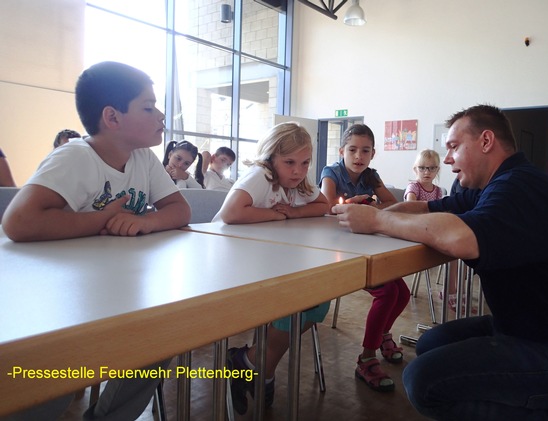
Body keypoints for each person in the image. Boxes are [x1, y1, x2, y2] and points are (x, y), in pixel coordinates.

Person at [332, 104, 548, 420]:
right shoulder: (495, 186)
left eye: (453, 148)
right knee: (432, 343)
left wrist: (378, 223)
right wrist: (376, 214)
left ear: (486, 141)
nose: (446, 160)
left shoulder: (518, 187)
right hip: (537, 329)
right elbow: (429, 209)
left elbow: (462, 237)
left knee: (423, 381)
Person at [2, 61, 191, 420]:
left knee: (161, 337)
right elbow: (19, 221)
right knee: (54, 372)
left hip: (114, 290)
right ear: (112, 117)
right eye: (148, 107)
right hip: (56, 297)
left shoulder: (144, 158)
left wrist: (144, 223)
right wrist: (105, 218)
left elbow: (179, 210)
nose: (161, 115)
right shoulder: (74, 155)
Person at [213, 122, 329, 414]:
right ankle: (257, 369)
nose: (298, 171)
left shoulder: (298, 182)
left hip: (266, 263)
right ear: (270, 158)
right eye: (289, 162)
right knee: (299, 300)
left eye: (305, 163)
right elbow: (231, 212)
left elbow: (323, 205)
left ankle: (249, 363)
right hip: (227, 268)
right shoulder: (261, 175)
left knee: (318, 299)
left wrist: (293, 212)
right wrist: (275, 217)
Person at [320, 123, 408, 393]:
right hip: (336, 250)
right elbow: (325, 205)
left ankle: (382, 335)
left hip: (366, 245)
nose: (359, 156)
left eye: (365, 150)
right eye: (353, 150)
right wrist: (356, 207)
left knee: (401, 293)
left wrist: (368, 207)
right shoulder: (331, 172)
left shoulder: (371, 175)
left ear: (373, 154)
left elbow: (393, 203)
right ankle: (366, 358)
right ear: (341, 151)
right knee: (387, 294)